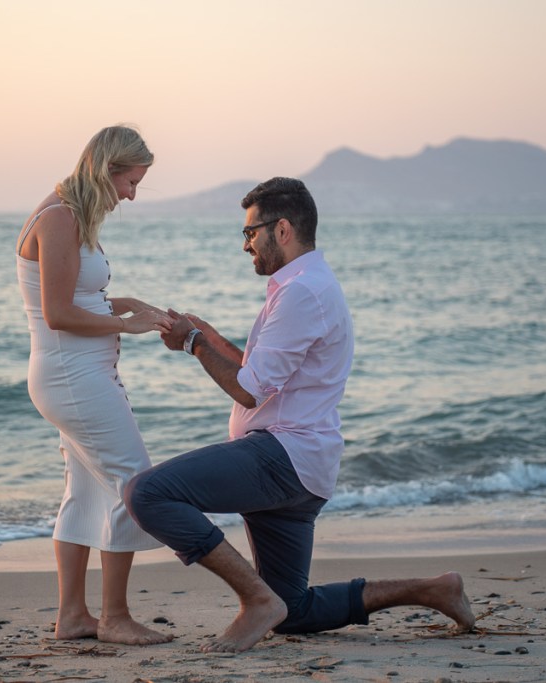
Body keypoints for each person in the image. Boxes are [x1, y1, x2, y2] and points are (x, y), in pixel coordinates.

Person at [124, 177, 474, 653]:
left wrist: (192, 342)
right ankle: (434, 589)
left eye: (250, 232)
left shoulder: (301, 293)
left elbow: (249, 391)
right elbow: (259, 370)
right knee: (294, 611)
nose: (245, 244)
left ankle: (254, 600)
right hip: (299, 467)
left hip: (280, 456)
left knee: (146, 493)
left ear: (282, 229)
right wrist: (205, 336)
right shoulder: (302, 287)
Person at [16, 125, 173, 646]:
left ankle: (73, 617)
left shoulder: (72, 214)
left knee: (84, 493)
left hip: (77, 375)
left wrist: (123, 304)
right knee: (133, 485)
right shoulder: (59, 218)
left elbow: (72, 298)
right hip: (71, 377)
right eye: (130, 181)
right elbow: (58, 314)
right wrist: (121, 326)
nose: (131, 194)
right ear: (107, 169)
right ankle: (115, 618)